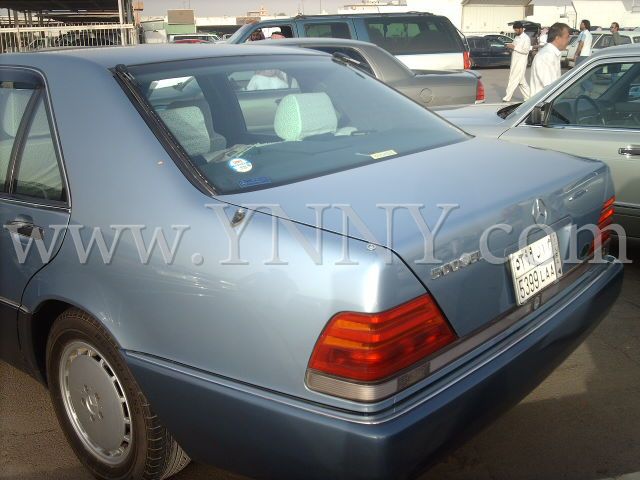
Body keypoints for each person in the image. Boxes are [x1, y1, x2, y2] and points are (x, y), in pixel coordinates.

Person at [530, 23, 571, 96]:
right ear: (557, 38)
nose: (568, 40)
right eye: (567, 37)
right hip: (543, 100)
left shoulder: (552, 54)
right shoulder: (546, 56)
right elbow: (551, 87)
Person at [503, 22, 531, 102]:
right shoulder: (516, 37)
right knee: (521, 82)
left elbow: (526, 50)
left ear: (521, 29)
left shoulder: (526, 38)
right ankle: (529, 97)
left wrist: (514, 47)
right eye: (514, 30)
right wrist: (509, 47)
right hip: (514, 62)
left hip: (520, 63)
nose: (515, 31)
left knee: (513, 79)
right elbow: (513, 46)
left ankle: (507, 98)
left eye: (516, 30)